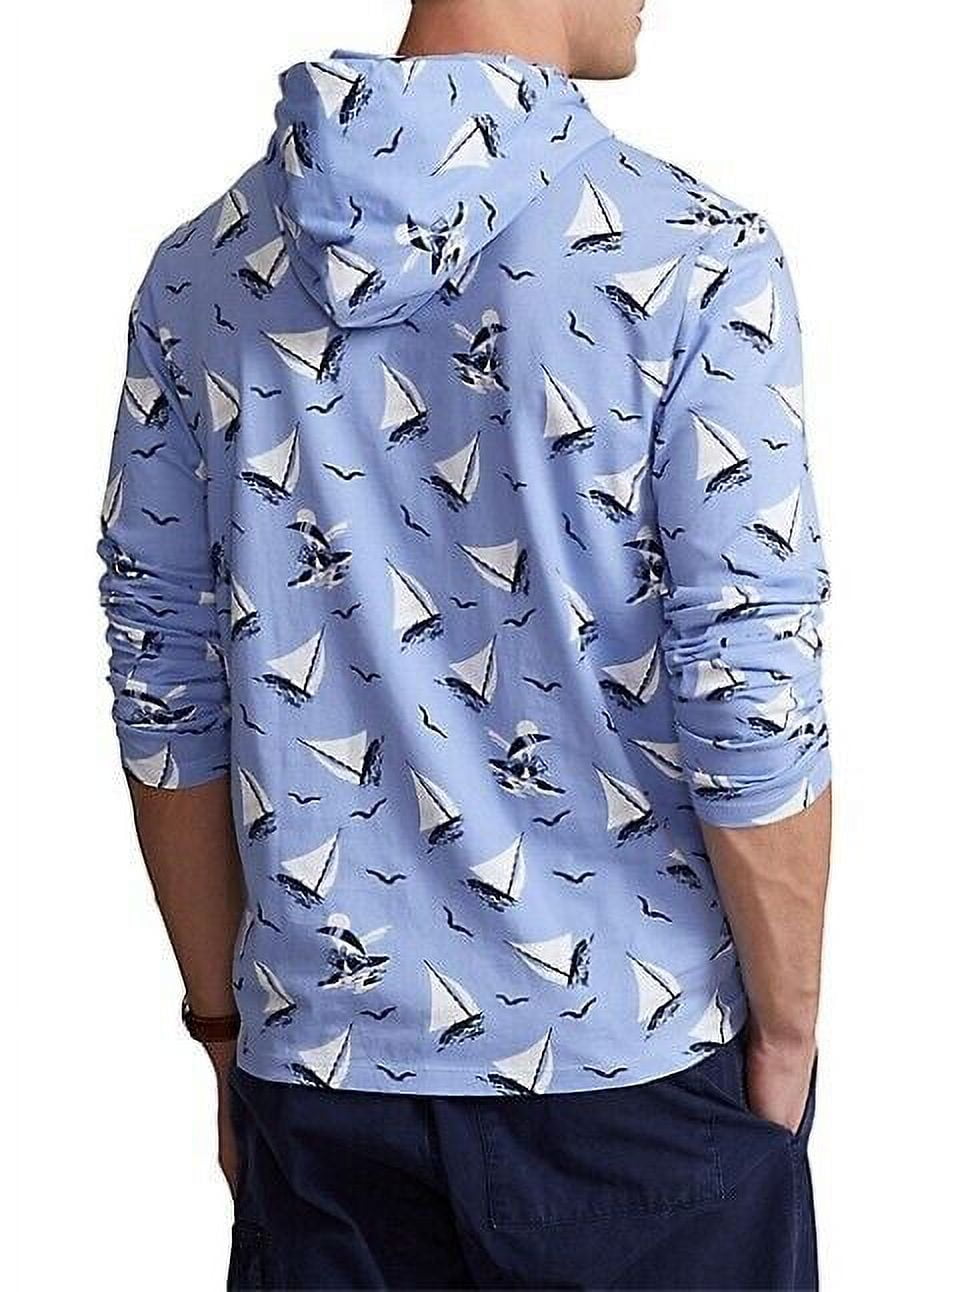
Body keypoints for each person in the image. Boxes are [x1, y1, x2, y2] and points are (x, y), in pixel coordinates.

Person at [98, 0, 832, 1287]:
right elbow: (746, 683)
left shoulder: (201, 271)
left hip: (320, 1084)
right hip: (634, 1073)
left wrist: (223, 1026)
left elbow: (165, 674)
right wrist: (787, 1028)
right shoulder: (692, 256)